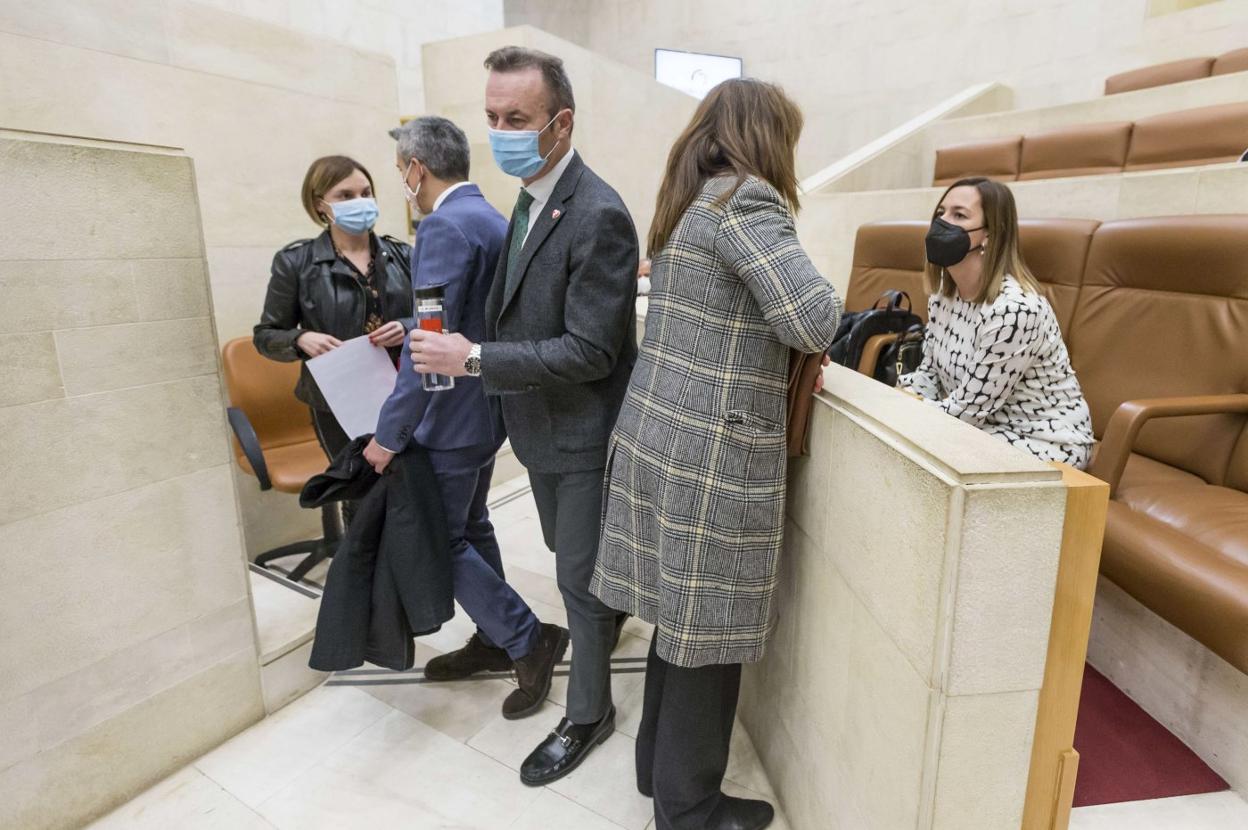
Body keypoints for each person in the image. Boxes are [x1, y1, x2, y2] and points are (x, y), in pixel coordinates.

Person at [590, 79, 842, 830]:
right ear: (766, 136)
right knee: (710, 637)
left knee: (678, 618)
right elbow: (814, 317)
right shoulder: (749, 202)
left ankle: (657, 776)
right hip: (713, 458)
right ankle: (690, 811)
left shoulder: (688, 203)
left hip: (660, 437)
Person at [408, 45, 638, 786]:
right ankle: (604, 618)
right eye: (492, 117)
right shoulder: (529, 199)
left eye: (517, 118)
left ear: (560, 123)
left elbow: (590, 351)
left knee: (577, 579)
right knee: (573, 561)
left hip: (579, 431)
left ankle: (588, 713)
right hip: (536, 428)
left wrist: (473, 360)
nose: (501, 131)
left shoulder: (597, 213)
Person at [362, 117, 567, 719]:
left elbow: (430, 347)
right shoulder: (491, 217)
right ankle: (495, 637)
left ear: (415, 169)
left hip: (448, 417)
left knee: (440, 538)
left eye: (401, 169)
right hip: (486, 407)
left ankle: (527, 638)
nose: (402, 178)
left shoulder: (444, 225)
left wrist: (389, 433)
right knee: (472, 526)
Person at [253, 155, 413, 519]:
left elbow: (436, 316)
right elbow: (266, 335)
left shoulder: (402, 255)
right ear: (320, 205)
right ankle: (366, 572)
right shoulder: (296, 262)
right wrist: (300, 339)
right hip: (338, 401)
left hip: (403, 390)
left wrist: (407, 325)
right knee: (362, 495)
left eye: (366, 192)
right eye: (345, 195)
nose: (360, 201)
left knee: (411, 488)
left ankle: (411, 570)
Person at [899, 177, 1094, 469]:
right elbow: (929, 375)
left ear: (990, 234)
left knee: (919, 456)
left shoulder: (1014, 311)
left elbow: (966, 412)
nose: (942, 224)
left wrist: (902, 416)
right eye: (941, 213)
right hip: (981, 430)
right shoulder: (943, 297)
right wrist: (901, 396)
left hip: (1045, 442)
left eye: (959, 215)